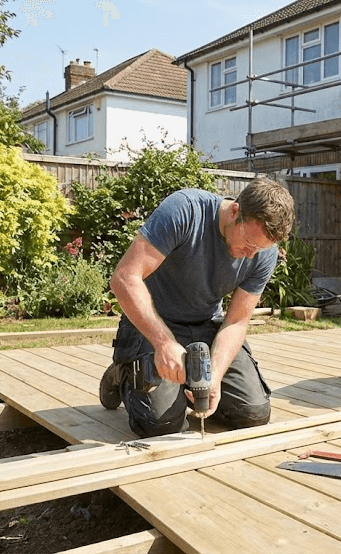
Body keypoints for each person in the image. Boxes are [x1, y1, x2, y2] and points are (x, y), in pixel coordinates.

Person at [99, 178, 295, 437]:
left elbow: (236, 321)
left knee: (253, 413)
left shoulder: (262, 251)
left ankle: (185, 381)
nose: (251, 255)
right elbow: (124, 278)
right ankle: (122, 372)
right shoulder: (185, 211)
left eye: (260, 249)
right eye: (249, 243)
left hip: (205, 325)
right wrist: (163, 343)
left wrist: (214, 374)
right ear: (235, 211)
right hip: (153, 325)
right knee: (161, 426)